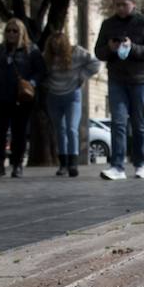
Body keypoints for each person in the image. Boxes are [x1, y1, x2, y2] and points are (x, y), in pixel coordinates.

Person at [93, 0, 144, 180]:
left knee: (138, 123)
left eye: (124, 4)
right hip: (117, 79)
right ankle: (117, 166)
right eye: (117, 5)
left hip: (139, 79)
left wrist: (133, 48)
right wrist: (110, 48)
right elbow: (98, 51)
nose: (120, 8)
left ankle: (139, 164)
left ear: (133, 3)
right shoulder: (108, 24)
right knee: (118, 121)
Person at [0, 18, 45, 178]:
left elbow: (41, 71)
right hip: (0, 98)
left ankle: (17, 165)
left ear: (21, 32)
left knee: (19, 133)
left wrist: (31, 83)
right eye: (8, 30)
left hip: (21, 99)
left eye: (15, 31)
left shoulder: (31, 51)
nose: (11, 34)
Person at [42, 30, 101, 178]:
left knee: (71, 128)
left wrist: (82, 75)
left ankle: (73, 164)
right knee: (60, 130)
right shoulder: (46, 57)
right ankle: (63, 164)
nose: (56, 48)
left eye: (58, 46)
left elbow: (95, 63)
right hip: (53, 96)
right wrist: (45, 82)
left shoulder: (77, 52)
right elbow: (40, 72)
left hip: (72, 96)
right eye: (53, 46)